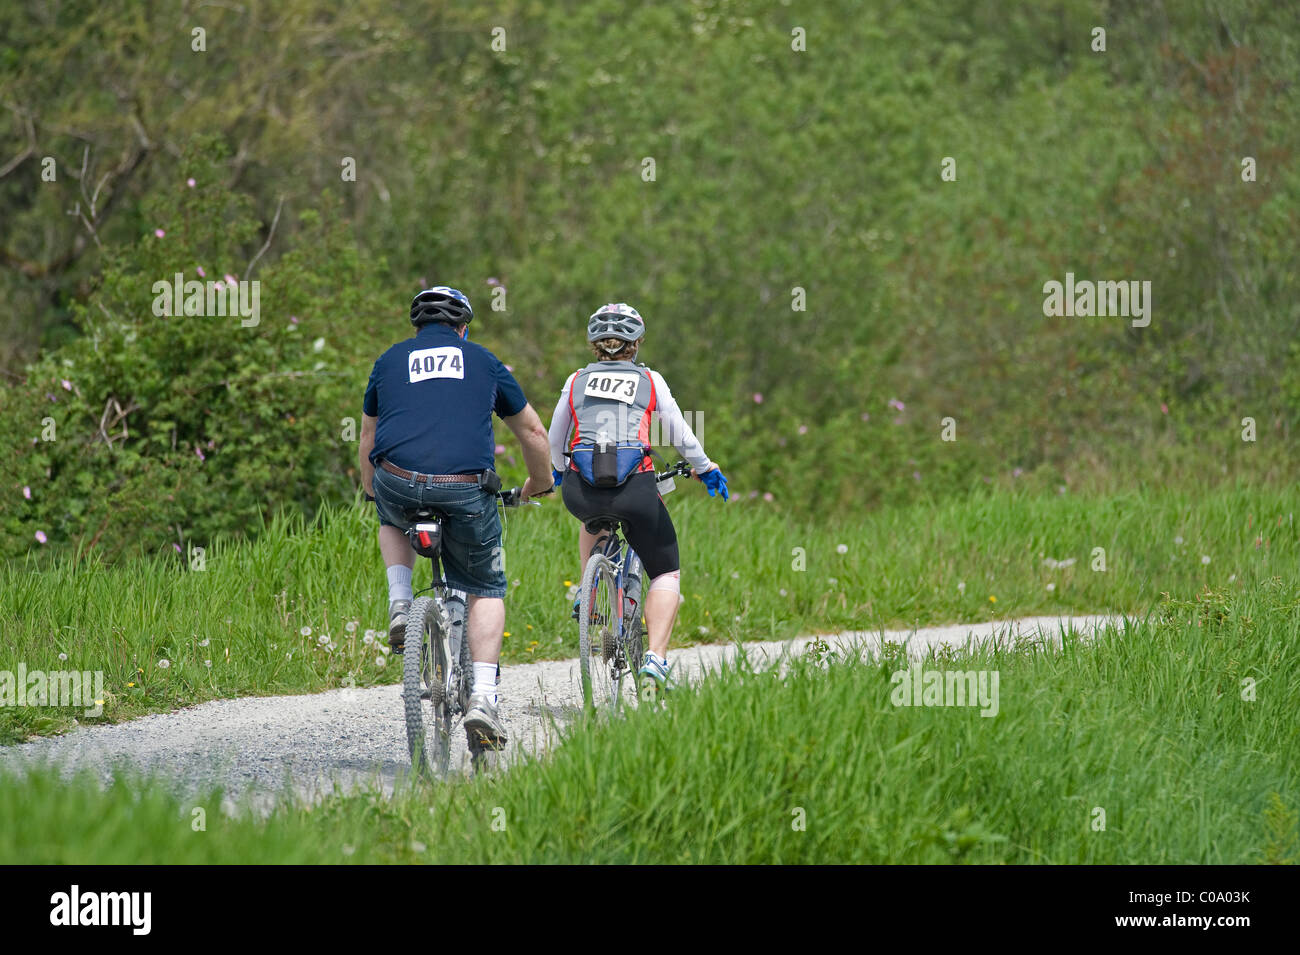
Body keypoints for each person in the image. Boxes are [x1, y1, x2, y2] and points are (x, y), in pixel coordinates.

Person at [358, 286, 553, 748]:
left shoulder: (389, 361)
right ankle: (484, 698)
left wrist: (373, 490)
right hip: (464, 489)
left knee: (389, 512)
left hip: (397, 479)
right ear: (462, 329)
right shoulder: (484, 361)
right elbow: (533, 431)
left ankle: (401, 602)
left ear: (417, 327)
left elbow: (368, 435)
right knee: (486, 584)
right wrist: (540, 482)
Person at [547, 302, 729, 698]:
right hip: (636, 489)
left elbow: (555, 436)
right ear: (637, 342)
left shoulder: (575, 379)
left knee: (593, 519)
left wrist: (560, 470)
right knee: (665, 572)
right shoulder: (650, 379)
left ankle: (589, 592)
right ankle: (656, 660)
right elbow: (680, 433)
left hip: (582, 491)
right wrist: (704, 466)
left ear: (594, 345)